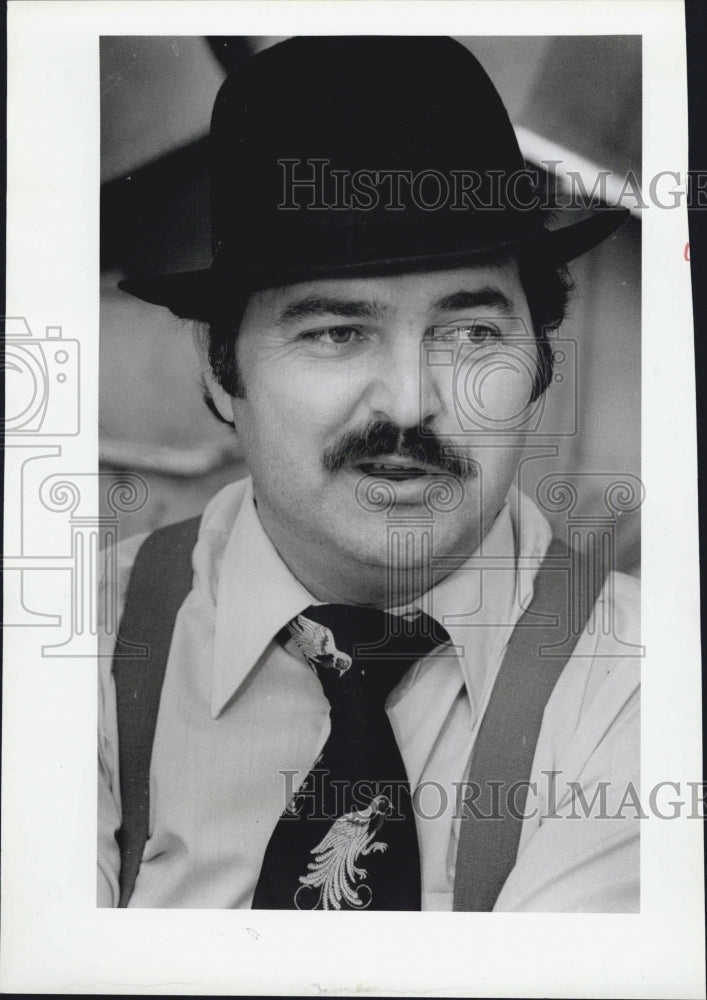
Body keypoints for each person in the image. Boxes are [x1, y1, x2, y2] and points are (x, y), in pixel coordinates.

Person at [98, 35, 640, 911]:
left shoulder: (647, 682)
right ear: (217, 366)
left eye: (469, 333)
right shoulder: (71, 651)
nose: (408, 402)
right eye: (334, 331)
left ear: (540, 359)